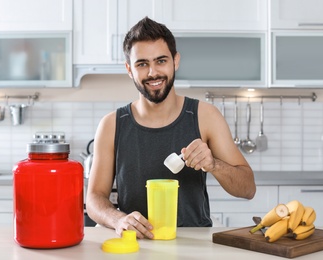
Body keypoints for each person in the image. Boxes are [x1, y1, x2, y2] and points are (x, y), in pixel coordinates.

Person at [86, 17, 256, 239]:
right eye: (142, 64)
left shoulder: (205, 116)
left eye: (161, 61)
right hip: (137, 245)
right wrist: (117, 219)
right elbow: (95, 198)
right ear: (129, 69)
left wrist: (213, 164)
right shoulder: (112, 125)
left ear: (175, 61)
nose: (152, 73)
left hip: (196, 243)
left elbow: (248, 189)